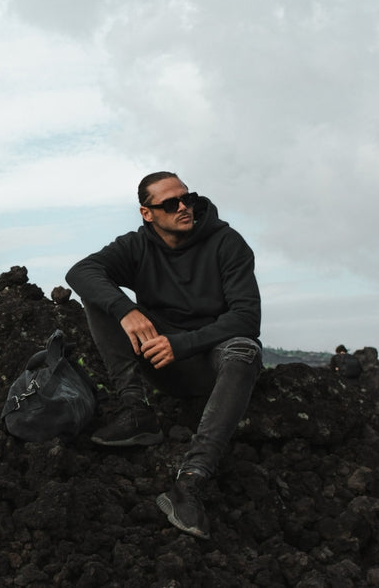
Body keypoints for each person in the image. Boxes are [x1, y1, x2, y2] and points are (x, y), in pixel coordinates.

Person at [65, 172, 263, 539]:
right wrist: (126, 309)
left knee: (244, 350)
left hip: (210, 362)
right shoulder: (137, 246)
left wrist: (182, 344)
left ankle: (190, 483)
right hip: (159, 360)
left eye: (187, 198)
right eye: (170, 204)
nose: (184, 207)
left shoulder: (227, 243)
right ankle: (137, 413)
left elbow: (246, 318)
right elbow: (81, 271)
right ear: (147, 213)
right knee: (99, 297)